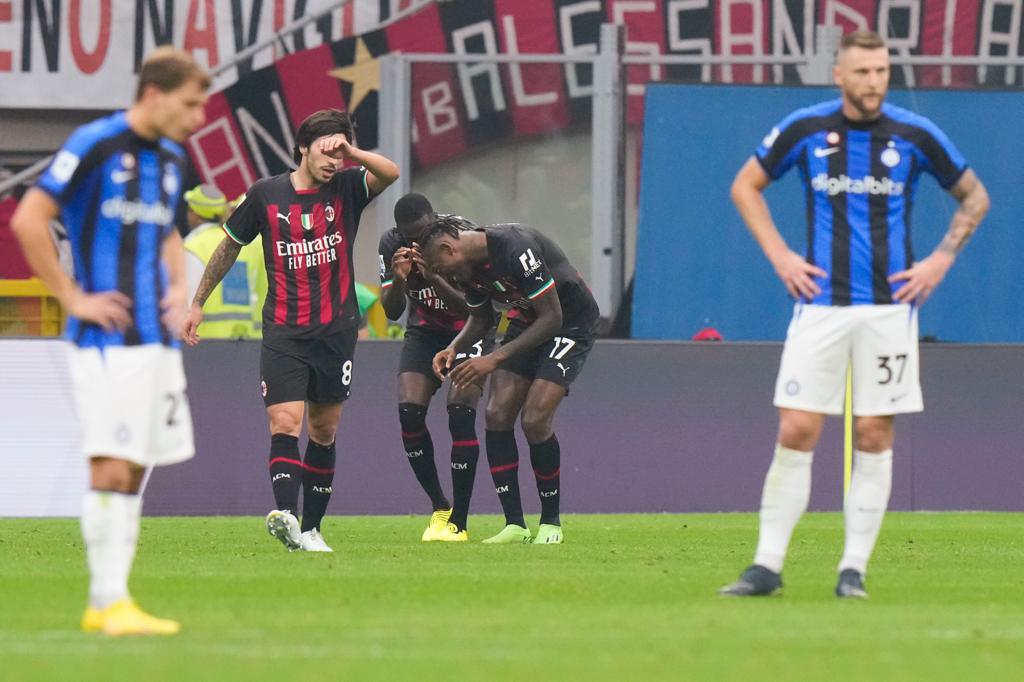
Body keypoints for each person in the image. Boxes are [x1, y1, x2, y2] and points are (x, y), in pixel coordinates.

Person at [721, 30, 990, 598]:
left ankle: (853, 571)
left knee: (872, 433)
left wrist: (940, 260)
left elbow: (975, 196)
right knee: (797, 428)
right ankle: (766, 566)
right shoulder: (806, 128)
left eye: (882, 71)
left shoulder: (915, 134)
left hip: (890, 312)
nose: (874, 82)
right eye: (863, 72)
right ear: (839, 75)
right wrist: (781, 255)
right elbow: (745, 186)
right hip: (819, 308)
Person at [11, 47, 210, 635]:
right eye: (191, 104)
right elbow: (29, 218)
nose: (199, 117)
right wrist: (72, 298)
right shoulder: (95, 142)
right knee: (111, 464)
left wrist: (179, 287)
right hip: (106, 340)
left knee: (138, 466)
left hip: (157, 341)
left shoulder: (172, 158)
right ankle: (106, 600)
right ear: (154, 93)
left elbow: (170, 232)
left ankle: (114, 601)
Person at [183, 109, 399, 552]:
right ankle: (286, 515)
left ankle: (313, 529)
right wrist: (198, 302)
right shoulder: (264, 195)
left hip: (336, 331)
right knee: (285, 421)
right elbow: (229, 248)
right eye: (326, 149)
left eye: (341, 152)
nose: (333, 160)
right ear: (302, 147)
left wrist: (351, 150)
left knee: (324, 429)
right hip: (284, 330)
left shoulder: (348, 188)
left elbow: (390, 173)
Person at [420, 218, 600, 544]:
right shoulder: (468, 269)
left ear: (449, 248)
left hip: (569, 322)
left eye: (438, 267)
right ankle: (515, 524)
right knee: (497, 413)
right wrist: (453, 347)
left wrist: (494, 358)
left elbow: (553, 317)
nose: (443, 275)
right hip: (527, 321)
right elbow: (481, 317)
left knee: (534, 418)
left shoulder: (516, 247)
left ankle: (551, 522)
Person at [378, 194, 492, 542]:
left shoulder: (459, 236)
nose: (417, 242)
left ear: (434, 221)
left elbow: (475, 310)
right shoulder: (390, 244)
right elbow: (391, 311)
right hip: (425, 331)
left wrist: (434, 277)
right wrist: (400, 279)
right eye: (410, 236)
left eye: (423, 234)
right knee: (410, 413)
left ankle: (460, 519)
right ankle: (440, 506)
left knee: (459, 413)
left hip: (468, 329)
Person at [183, 186, 266, 339]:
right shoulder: (241, 244)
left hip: (203, 340)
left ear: (193, 213)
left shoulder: (192, 246)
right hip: (246, 337)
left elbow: (186, 302)